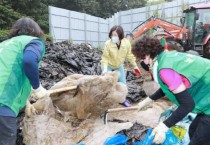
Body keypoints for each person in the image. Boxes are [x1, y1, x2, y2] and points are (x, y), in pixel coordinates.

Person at [132, 35, 210, 145]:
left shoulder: (165, 69)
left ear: (148, 55)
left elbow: (187, 105)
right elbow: (169, 87)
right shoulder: (167, 56)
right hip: (207, 96)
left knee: (198, 141)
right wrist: (149, 100)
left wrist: (164, 126)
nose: (144, 62)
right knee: (193, 130)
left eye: (142, 58)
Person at [0, 18, 48, 145]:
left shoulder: (5, 44)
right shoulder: (33, 42)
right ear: (36, 31)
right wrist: (37, 87)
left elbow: (6, 71)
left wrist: (25, 100)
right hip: (3, 103)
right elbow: (28, 60)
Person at [101, 25, 140, 107]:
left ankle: (123, 100)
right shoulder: (108, 44)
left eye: (115, 35)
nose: (113, 37)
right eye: (112, 35)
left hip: (119, 66)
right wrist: (105, 69)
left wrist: (135, 66)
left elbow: (129, 55)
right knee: (107, 84)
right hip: (108, 65)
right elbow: (105, 57)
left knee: (123, 85)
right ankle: (105, 103)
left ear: (120, 35)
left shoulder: (126, 43)